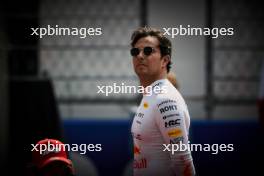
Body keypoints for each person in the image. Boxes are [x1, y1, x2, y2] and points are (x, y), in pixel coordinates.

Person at [130, 27, 195, 176]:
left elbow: (182, 160)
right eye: (135, 52)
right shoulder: (151, 95)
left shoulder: (165, 98)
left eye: (148, 51)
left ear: (165, 60)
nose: (140, 56)